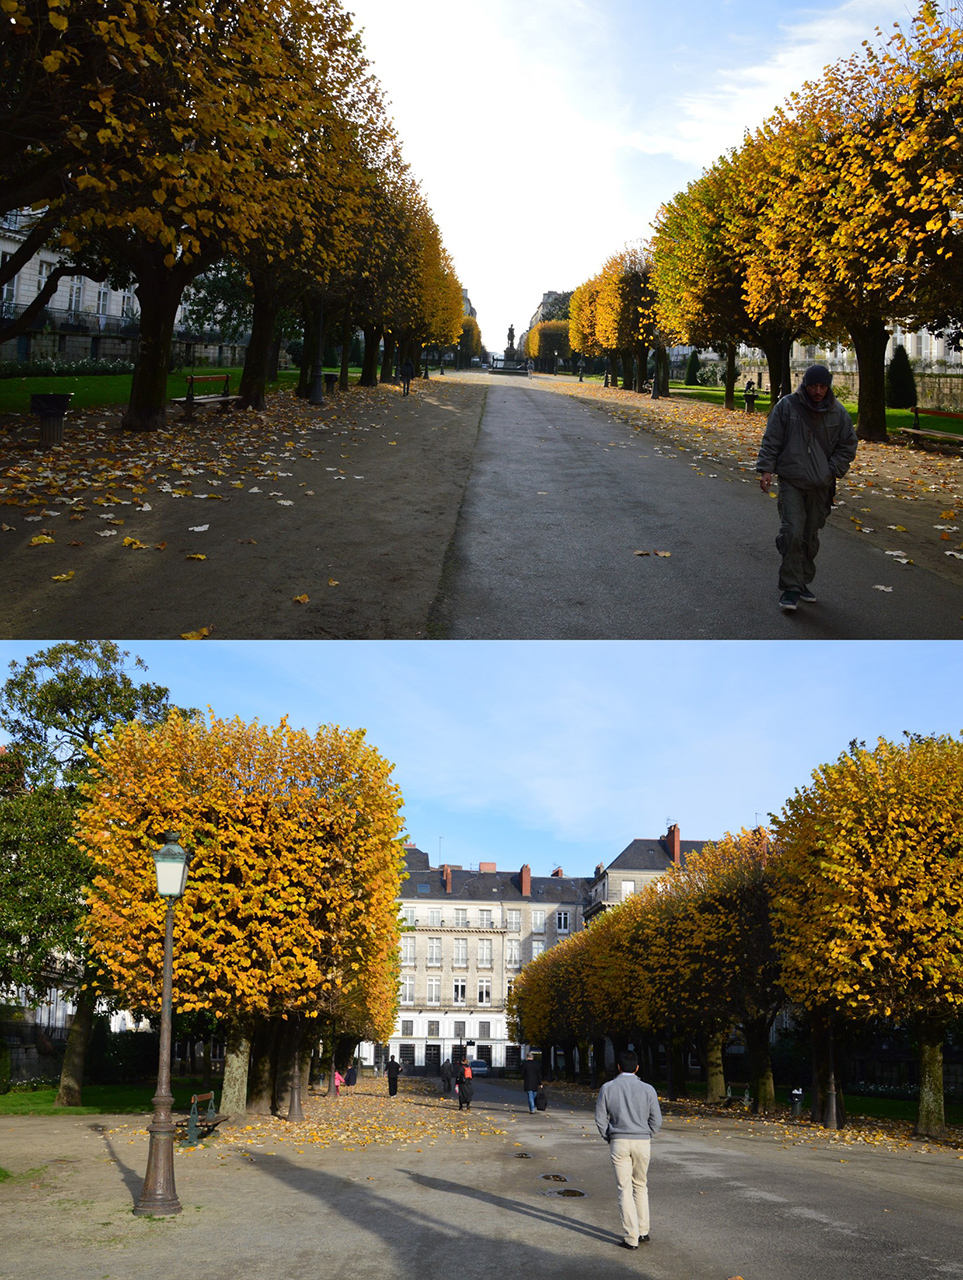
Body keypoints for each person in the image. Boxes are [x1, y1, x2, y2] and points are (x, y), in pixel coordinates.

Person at [756, 363, 857, 612]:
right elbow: (772, 439)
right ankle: (790, 587)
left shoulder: (837, 412)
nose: (818, 391)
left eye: (823, 386)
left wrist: (831, 470)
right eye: (814, 385)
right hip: (791, 480)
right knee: (792, 530)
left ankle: (802, 581)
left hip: (820, 485)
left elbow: (848, 445)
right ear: (805, 384)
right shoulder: (787, 407)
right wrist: (766, 469)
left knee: (810, 536)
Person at [595, 1050, 662, 1250]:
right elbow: (656, 1120)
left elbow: (600, 1118)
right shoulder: (648, 1089)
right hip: (642, 1141)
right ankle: (643, 1230)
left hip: (619, 1141)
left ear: (618, 1067)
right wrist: (648, 1133)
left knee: (624, 1188)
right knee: (641, 1185)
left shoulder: (608, 1088)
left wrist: (609, 1135)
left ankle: (631, 1237)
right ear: (637, 1068)